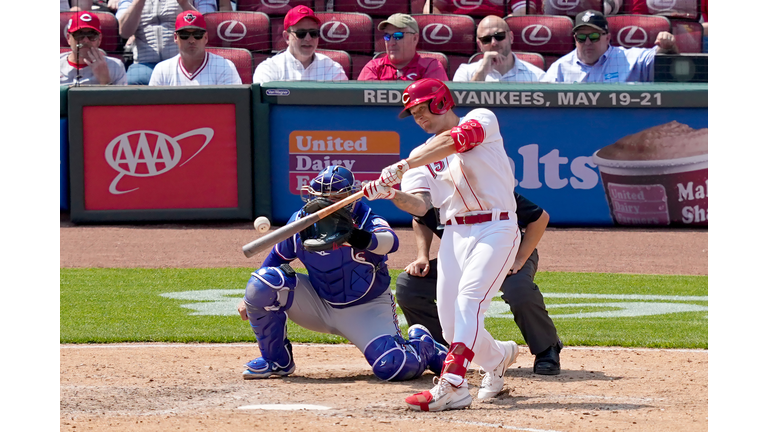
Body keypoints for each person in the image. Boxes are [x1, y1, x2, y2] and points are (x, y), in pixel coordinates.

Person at [363, 78, 521, 411]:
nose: (419, 117)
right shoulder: (418, 159)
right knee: (451, 325)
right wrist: (390, 193)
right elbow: (421, 206)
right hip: (455, 233)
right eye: (413, 113)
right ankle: (498, 357)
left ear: (441, 102)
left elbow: (457, 141)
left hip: (497, 226)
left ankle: (453, 385)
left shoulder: (481, 119)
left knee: (469, 301)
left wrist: (405, 165)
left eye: (422, 109)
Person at [236, 166, 448, 383]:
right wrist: (249, 298)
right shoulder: (302, 222)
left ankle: (424, 345)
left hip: (366, 309)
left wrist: (355, 237)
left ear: (350, 197)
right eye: (321, 196)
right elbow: (277, 258)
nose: (327, 202)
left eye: (336, 197)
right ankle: (276, 361)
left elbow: (390, 242)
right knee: (263, 282)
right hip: (319, 302)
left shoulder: (365, 218)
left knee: (394, 366)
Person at [394, 189, 563, 375]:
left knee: (518, 289)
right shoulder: (432, 192)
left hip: (509, 250)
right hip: (463, 256)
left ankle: (547, 347)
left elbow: (540, 217)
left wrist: (520, 260)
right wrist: (422, 256)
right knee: (409, 284)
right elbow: (420, 219)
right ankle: (440, 351)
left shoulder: (488, 186)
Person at [542, 10, 679, 83]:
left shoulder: (629, 59)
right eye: (581, 38)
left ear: (607, 38)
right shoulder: (560, 68)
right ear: (575, 39)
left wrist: (667, 46)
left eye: (594, 37)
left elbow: (662, 59)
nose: (588, 43)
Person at [116, 0, 217, 85]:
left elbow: (208, 29)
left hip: (184, 62)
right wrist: (139, 2)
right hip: (144, 64)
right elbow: (124, 32)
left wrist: (184, 3)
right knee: (132, 83)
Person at [252, 6, 348, 84]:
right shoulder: (269, 69)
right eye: (301, 33)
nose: (308, 38)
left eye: (313, 33)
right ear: (286, 37)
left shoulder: (331, 68)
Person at [148, 11, 242, 85]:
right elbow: (152, 108)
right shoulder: (162, 70)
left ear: (206, 38)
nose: (192, 40)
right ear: (176, 38)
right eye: (185, 35)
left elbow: (233, 106)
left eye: (197, 35)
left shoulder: (224, 66)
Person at [453, 15, 545, 83]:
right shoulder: (465, 72)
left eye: (499, 36)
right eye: (486, 39)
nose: (494, 43)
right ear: (479, 45)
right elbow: (460, 105)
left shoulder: (536, 77)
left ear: (511, 37)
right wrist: (482, 72)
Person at [357, 14, 448, 81]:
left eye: (398, 36)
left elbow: (436, 103)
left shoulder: (431, 66)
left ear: (415, 38)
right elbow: (362, 104)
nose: (391, 43)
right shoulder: (373, 67)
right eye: (387, 36)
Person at [61, 11, 128, 86]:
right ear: (68, 38)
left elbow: (120, 98)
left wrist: (105, 81)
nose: (85, 40)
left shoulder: (115, 66)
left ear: (99, 39)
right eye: (79, 35)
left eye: (92, 35)